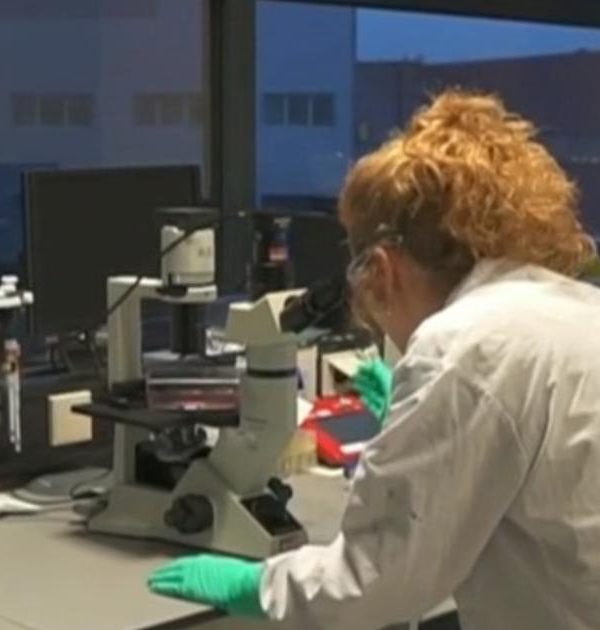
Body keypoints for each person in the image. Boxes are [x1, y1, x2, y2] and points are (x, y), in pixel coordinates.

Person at [147, 90, 600, 630]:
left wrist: (257, 585)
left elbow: (374, 583)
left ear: (381, 270)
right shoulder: (574, 308)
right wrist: (418, 431)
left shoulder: (464, 347)